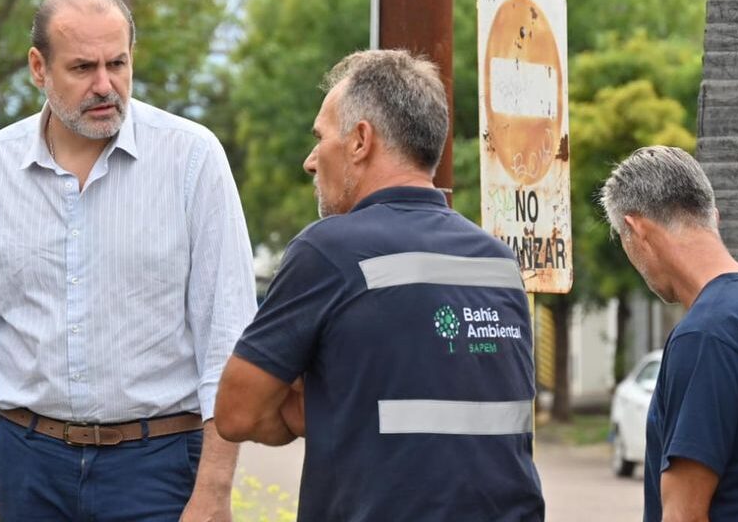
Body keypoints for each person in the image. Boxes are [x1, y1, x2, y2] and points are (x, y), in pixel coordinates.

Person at [0, 0, 257, 522]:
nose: (106, 86)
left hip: (160, 465)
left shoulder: (193, 160)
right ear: (38, 67)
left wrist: (214, 490)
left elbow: (228, 336)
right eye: (82, 68)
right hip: (27, 464)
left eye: (117, 63)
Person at [213, 49, 545, 521]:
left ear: (360, 141)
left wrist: (310, 403)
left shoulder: (329, 251)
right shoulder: (499, 262)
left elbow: (236, 413)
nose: (311, 161)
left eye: (321, 137)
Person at [600, 146, 738, 522]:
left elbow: (682, 514)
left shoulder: (706, 335)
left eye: (621, 237)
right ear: (713, 219)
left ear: (638, 229)